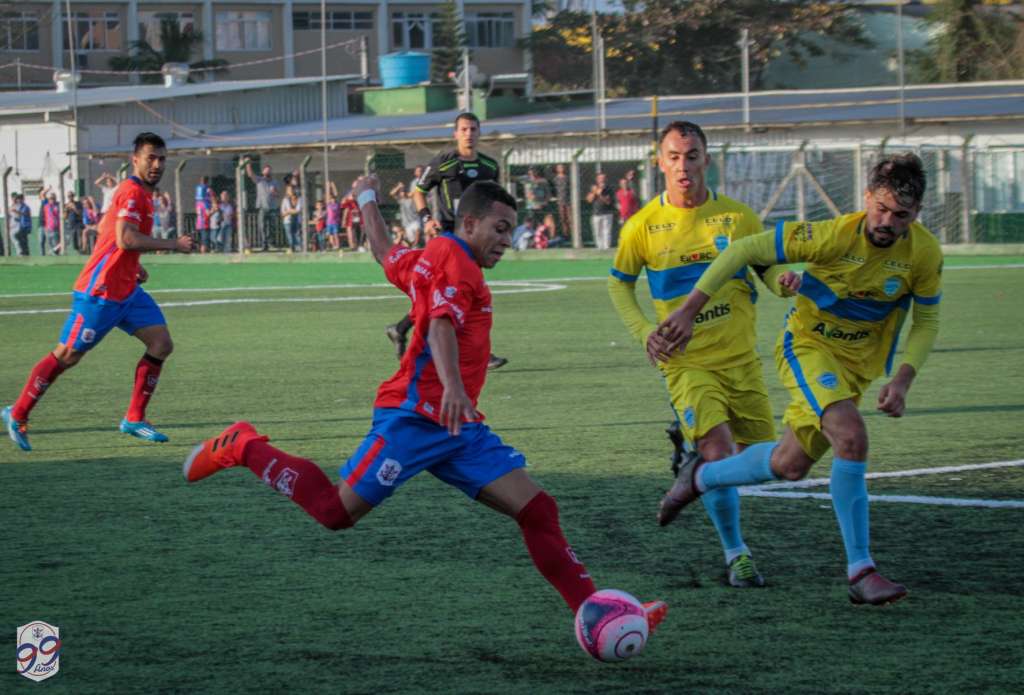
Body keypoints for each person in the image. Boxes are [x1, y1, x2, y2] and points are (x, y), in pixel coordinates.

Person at [181, 177, 668, 642]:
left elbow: (383, 253)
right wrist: (454, 386)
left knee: (538, 510)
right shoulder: (456, 262)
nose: (507, 240)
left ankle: (597, 611)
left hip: (457, 427)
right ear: (469, 223)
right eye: (500, 229)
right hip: (414, 419)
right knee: (334, 513)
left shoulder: (432, 258)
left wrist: (367, 197)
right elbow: (439, 324)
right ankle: (244, 446)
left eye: (511, 231)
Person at [653, 153, 942, 606]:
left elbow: (926, 320)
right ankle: (861, 571)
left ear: (917, 214)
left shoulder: (923, 253)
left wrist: (903, 378)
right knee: (851, 435)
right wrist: (688, 310)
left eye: (900, 215)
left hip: (857, 367)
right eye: (880, 209)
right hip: (808, 348)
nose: (887, 221)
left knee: (790, 465)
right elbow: (743, 251)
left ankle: (702, 476)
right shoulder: (831, 235)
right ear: (866, 198)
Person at [609, 121, 800, 588]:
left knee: (769, 463)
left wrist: (784, 282)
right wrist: (643, 332)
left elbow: (767, 271)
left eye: (691, 155)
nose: (683, 166)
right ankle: (737, 555)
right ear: (660, 162)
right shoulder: (642, 227)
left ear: (706, 160)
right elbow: (620, 283)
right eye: (673, 156)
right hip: (685, 362)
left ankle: (691, 470)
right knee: (718, 451)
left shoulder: (737, 219)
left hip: (741, 360)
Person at [2, 132, 195, 452]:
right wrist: (174, 244)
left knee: (161, 344)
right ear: (135, 160)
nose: (157, 164)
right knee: (68, 355)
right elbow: (125, 239)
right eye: (151, 158)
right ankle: (18, 412)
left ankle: (134, 418)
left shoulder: (143, 195)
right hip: (101, 291)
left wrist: (133, 267)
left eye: (162, 158)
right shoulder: (132, 192)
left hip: (127, 290)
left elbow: (114, 239)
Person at [387, 112, 508, 370]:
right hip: (450, 237)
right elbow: (418, 192)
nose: (469, 134)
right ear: (455, 134)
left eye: (473, 129)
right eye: (464, 129)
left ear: (479, 132)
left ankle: (400, 328)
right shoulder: (444, 162)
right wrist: (428, 219)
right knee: (467, 293)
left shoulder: (490, 166)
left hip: (476, 239)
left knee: (446, 293)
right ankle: (480, 355)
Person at [245, 161, 280, 251]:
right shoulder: (259, 180)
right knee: (262, 226)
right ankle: (264, 245)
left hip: (272, 207)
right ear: (263, 172)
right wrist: (248, 164)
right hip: (262, 207)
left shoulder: (275, 182)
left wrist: (274, 192)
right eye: (266, 171)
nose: (267, 173)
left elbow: (278, 195)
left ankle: (271, 243)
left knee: (272, 227)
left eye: (269, 171)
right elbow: (250, 174)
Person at [586, 172, 615, 250]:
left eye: (603, 178)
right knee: (597, 231)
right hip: (596, 212)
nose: (602, 180)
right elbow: (589, 200)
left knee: (606, 231)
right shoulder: (593, 188)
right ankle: (599, 246)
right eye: (600, 178)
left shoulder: (609, 188)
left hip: (607, 213)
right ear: (597, 179)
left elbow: (608, 201)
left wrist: (600, 193)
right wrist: (595, 192)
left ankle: (606, 247)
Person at [390, 181, 421, 248]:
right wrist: (399, 187)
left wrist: (406, 194)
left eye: (403, 190)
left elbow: (414, 194)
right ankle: (413, 248)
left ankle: (416, 246)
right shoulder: (400, 199)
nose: (401, 192)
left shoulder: (411, 196)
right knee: (411, 242)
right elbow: (392, 194)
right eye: (400, 191)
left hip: (415, 220)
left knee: (417, 233)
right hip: (407, 224)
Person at [281, 185, 302, 253]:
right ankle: (291, 248)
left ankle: (298, 247)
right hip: (287, 220)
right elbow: (282, 213)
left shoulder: (299, 199)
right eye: (289, 190)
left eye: (292, 189)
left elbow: (298, 210)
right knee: (289, 235)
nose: (291, 191)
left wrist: (289, 211)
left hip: (296, 220)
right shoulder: (285, 200)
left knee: (296, 234)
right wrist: (289, 211)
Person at [553, 163, 571, 240]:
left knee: (570, 218)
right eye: (559, 167)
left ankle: (573, 234)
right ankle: (565, 234)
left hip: (568, 200)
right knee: (563, 218)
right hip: (560, 200)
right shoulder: (555, 179)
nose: (561, 169)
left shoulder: (567, 178)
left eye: (562, 167)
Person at [325, 183, 341, 251]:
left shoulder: (337, 204)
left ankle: (337, 245)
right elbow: (327, 196)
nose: (333, 200)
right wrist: (328, 187)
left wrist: (333, 186)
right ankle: (332, 245)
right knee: (330, 235)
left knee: (336, 234)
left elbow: (336, 194)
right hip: (329, 223)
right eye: (331, 199)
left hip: (335, 222)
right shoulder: (329, 205)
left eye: (334, 199)